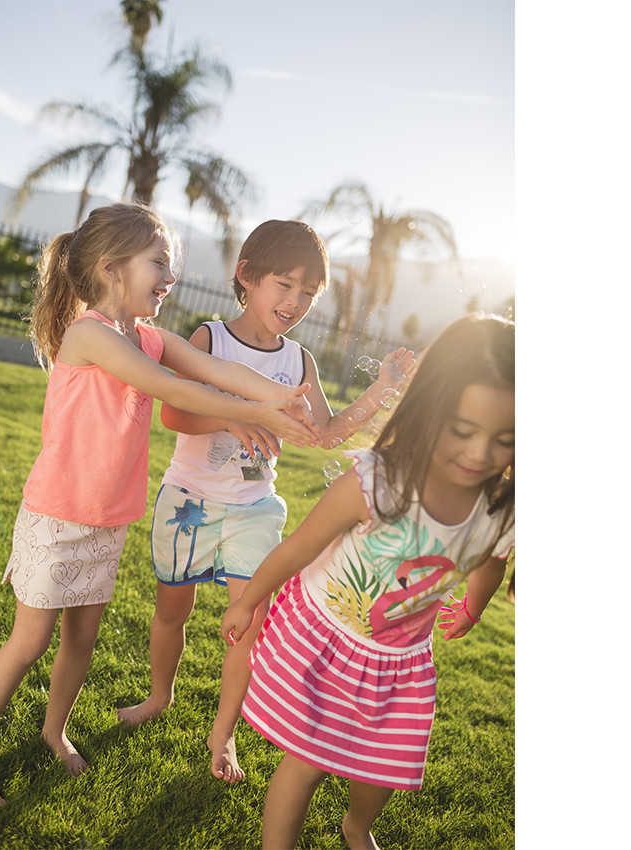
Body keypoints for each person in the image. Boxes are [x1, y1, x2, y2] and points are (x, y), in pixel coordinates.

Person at [0, 203, 324, 805]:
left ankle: (54, 731)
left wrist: (286, 399)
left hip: (107, 519)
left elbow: (214, 370)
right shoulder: (89, 333)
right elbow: (171, 387)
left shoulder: (147, 335)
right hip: (56, 515)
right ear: (111, 267)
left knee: (81, 640)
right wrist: (256, 412)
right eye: (159, 263)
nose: (170, 277)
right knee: (30, 640)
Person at [116, 219, 415, 786]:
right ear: (247, 276)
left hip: (254, 508)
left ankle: (222, 735)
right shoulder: (210, 339)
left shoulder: (300, 362)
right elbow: (174, 413)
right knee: (172, 610)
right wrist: (236, 416)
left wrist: (382, 389)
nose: (296, 301)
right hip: (189, 502)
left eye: (309, 292)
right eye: (285, 284)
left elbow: (327, 433)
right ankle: (159, 696)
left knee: (248, 622)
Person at [220, 313, 515, 850]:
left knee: (382, 769)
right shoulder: (376, 482)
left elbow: (493, 562)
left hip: (400, 661)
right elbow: (298, 547)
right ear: (430, 408)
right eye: (462, 430)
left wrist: (473, 607)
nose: (479, 454)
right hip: (329, 640)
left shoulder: (501, 510)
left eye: (505, 439)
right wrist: (249, 601)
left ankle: (357, 827)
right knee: (307, 765)